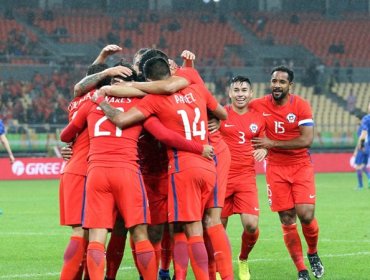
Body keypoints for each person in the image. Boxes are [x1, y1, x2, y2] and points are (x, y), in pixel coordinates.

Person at [92, 56, 227, 280]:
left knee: (176, 229)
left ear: (147, 77)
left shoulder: (155, 98)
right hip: (178, 168)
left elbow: (151, 128)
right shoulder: (190, 84)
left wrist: (105, 95)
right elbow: (222, 112)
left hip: (174, 168)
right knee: (173, 229)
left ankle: (166, 275)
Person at [250, 66, 324, 280]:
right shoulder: (259, 104)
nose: (277, 85)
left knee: (306, 215)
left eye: (282, 82)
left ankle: (312, 253)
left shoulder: (300, 105)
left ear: (290, 85)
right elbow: (238, 111)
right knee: (287, 217)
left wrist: (270, 143)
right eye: (274, 81)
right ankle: (301, 270)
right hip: (275, 168)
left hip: (300, 165)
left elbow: (306, 140)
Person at [219, 76, 267, 280]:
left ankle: (243, 259)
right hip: (220, 177)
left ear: (251, 94)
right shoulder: (219, 114)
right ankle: (219, 268)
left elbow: (263, 142)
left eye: (244, 90)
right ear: (230, 93)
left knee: (251, 225)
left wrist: (264, 149)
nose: (240, 94)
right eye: (236, 90)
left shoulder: (259, 117)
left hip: (246, 177)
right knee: (218, 227)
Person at [354, 103, 370, 190]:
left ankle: (360, 186)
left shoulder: (365, 120)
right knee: (363, 165)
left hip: (364, 147)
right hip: (369, 147)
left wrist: (360, 147)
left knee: (358, 166)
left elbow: (362, 136)